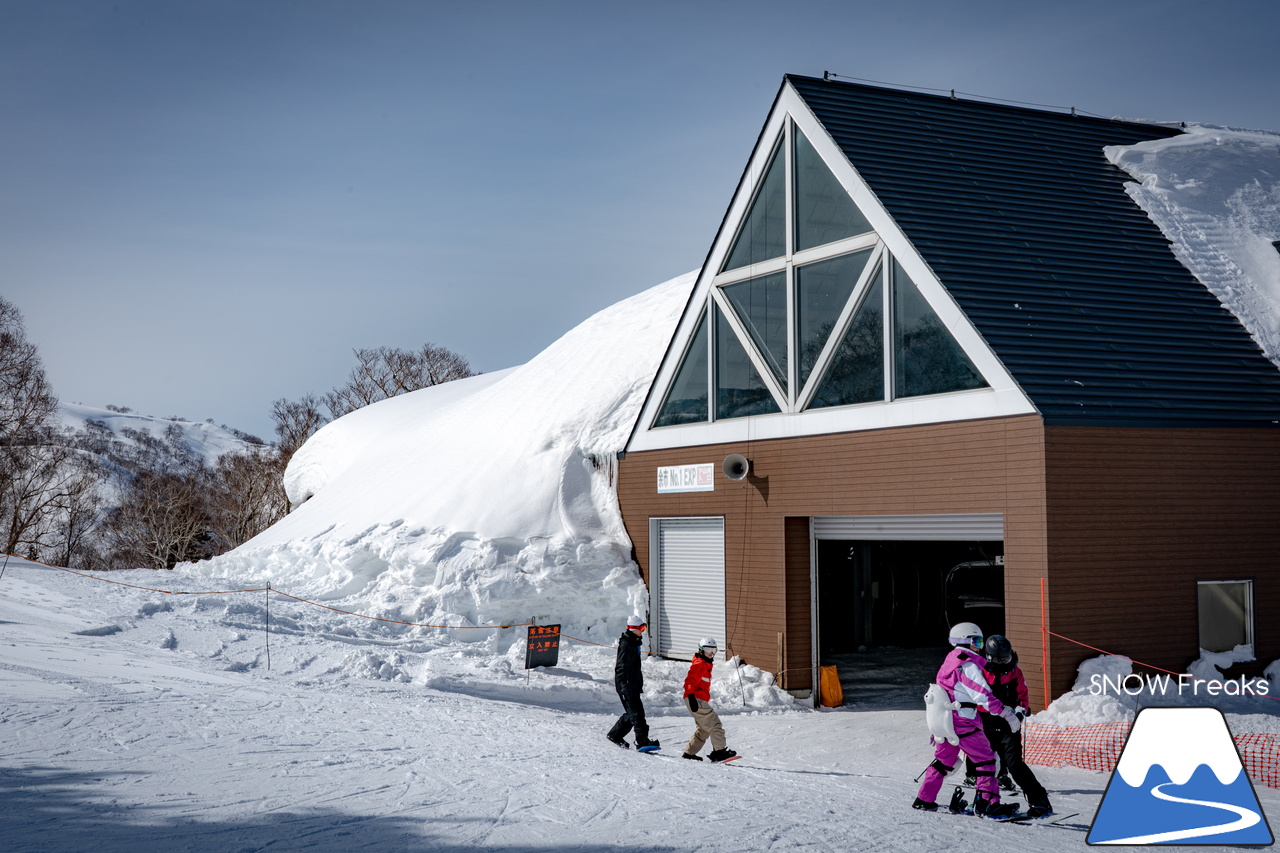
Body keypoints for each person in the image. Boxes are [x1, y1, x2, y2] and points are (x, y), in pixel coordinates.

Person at [913, 622, 1021, 819]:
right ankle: (987, 805)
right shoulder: (967, 665)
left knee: (944, 761)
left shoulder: (949, 661)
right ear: (965, 641)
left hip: (945, 721)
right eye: (977, 641)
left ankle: (924, 799)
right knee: (987, 760)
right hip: (962, 721)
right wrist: (1006, 713)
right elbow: (982, 695)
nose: (979, 646)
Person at [974, 635, 1053, 818]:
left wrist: (1020, 711)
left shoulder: (1015, 672)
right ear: (989, 657)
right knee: (986, 765)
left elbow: (1022, 695)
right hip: (986, 723)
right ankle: (987, 802)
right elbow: (976, 697)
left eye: (1007, 658)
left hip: (1009, 725)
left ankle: (1040, 802)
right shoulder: (979, 671)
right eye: (999, 660)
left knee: (1015, 765)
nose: (1004, 662)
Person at [606, 614, 659, 750]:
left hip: (632, 684)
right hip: (626, 684)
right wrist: (624, 686)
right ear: (633, 628)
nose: (642, 631)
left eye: (644, 628)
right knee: (636, 714)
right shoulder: (626, 644)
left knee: (635, 712)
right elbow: (621, 667)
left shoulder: (633, 642)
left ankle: (615, 734)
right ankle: (641, 740)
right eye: (641, 628)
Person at [681, 637, 736, 763]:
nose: (711, 654)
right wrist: (691, 697)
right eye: (708, 650)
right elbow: (689, 681)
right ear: (701, 650)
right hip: (695, 698)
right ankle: (719, 752)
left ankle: (689, 753)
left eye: (713, 650)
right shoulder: (700, 664)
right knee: (715, 725)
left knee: (704, 729)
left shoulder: (705, 663)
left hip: (697, 698)